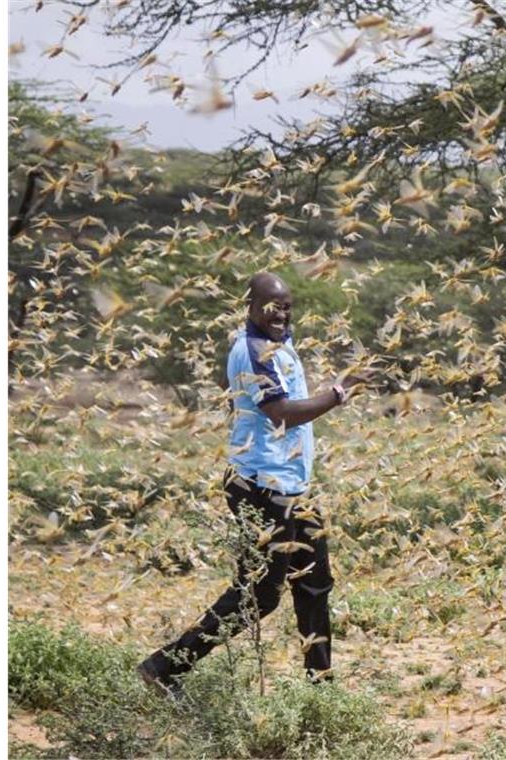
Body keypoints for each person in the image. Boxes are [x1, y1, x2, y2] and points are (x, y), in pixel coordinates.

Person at [137, 272, 359, 695]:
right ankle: (165, 668)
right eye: (272, 305)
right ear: (252, 305)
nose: (281, 312)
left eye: (287, 305)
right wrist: (335, 396)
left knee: (314, 582)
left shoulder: (278, 344)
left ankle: (321, 687)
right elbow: (279, 412)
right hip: (261, 486)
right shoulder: (254, 350)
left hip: (292, 485)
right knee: (258, 594)